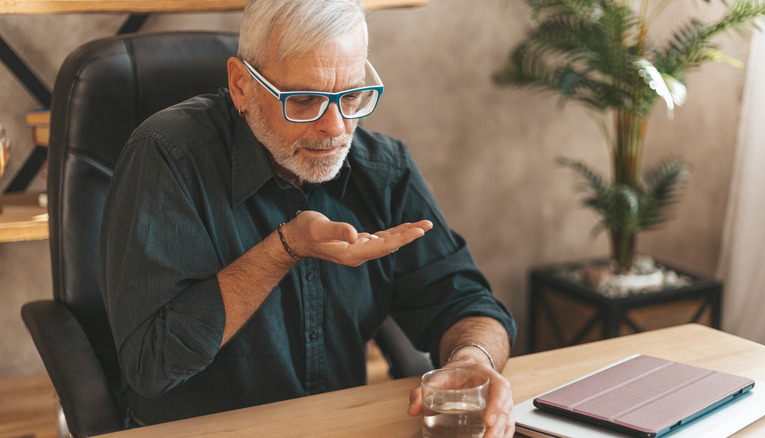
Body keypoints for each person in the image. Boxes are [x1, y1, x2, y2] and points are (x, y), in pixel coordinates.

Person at [98, 0, 518, 436]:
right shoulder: (167, 157)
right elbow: (151, 365)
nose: (335, 127)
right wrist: (284, 249)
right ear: (242, 86)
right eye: (303, 101)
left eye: (351, 95)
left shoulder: (384, 169)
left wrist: (473, 359)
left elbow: (466, 302)